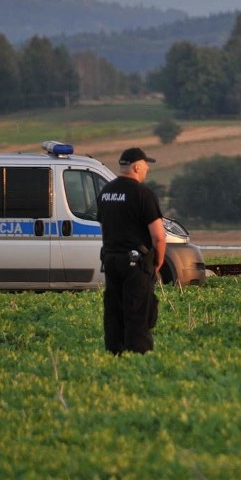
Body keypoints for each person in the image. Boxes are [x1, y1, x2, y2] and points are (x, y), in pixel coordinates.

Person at [96, 147, 166, 354]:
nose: (147, 171)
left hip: (111, 260)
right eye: (145, 167)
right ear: (136, 167)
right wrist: (158, 260)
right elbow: (158, 236)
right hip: (135, 264)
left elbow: (104, 227)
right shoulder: (143, 193)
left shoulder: (106, 192)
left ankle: (114, 354)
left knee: (114, 312)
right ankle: (139, 356)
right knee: (138, 313)